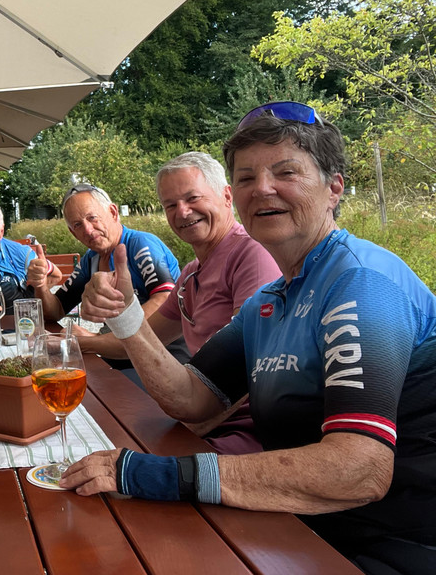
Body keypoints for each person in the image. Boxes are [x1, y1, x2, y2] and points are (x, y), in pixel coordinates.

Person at [61, 102, 436, 575]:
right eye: (246, 177)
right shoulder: (269, 301)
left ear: (334, 188)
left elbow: (359, 470)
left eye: (286, 172)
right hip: (302, 529)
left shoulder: (360, 281)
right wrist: (127, 317)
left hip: (398, 545)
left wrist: (158, 474)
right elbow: (191, 398)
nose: (262, 188)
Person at [71, 153, 280, 453]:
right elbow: (141, 339)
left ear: (226, 196)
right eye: (170, 205)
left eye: (192, 198)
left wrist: (170, 444)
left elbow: (253, 373)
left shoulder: (252, 254)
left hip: (246, 433)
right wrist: (119, 310)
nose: (182, 212)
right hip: (199, 419)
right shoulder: (191, 272)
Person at [31, 184, 183, 366]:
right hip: (120, 356)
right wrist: (40, 284)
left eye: (92, 218)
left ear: (113, 212)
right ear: (73, 233)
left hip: (167, 356)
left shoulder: (141, 244)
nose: (88, 230)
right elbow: (55, 311)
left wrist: (92, 339)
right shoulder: (91, 260)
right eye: (78, 225)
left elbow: (164, 300)